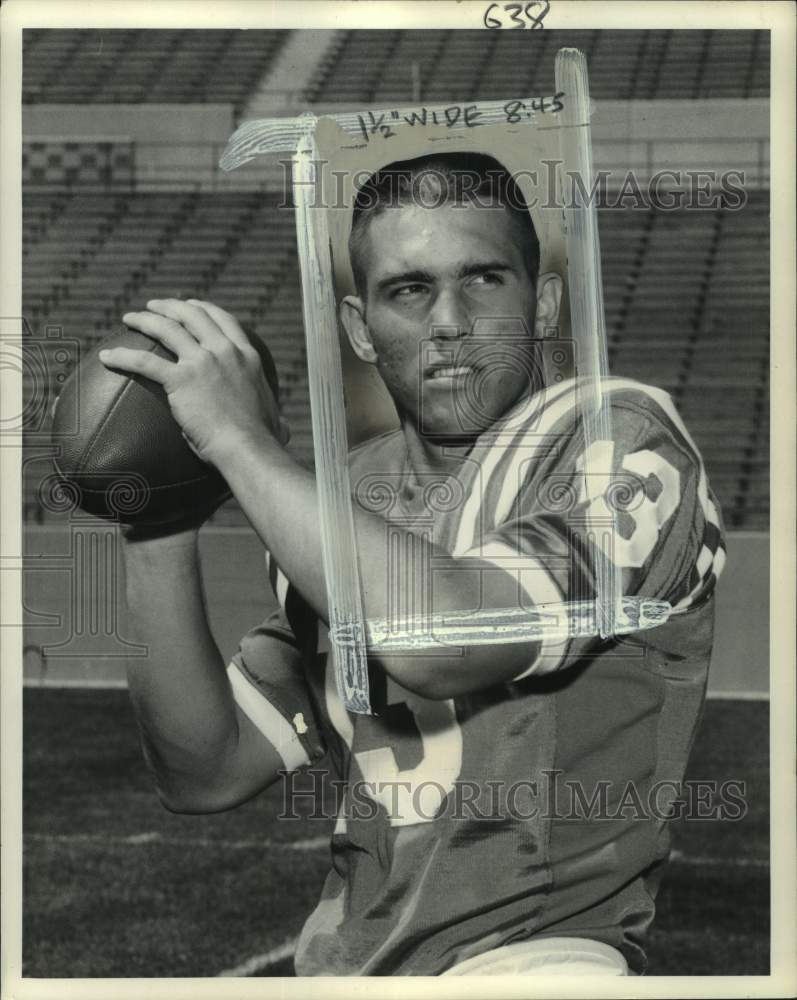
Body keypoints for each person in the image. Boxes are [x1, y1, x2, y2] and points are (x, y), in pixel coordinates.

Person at [101, 152, 726, 977]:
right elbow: (205, 772)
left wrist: (235, 438)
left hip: (537, 958)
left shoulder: (619, 442)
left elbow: (441, 643)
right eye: (409, 289)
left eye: (483, 279)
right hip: (351, 961)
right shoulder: (346, 497)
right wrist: (159, 518)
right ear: (360, 328)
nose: (449, 322)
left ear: (542, 304)